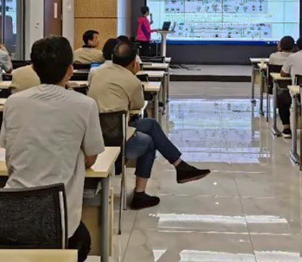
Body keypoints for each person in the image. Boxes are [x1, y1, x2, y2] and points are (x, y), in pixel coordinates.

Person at [0, 36, 105, 261]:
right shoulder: (85, 105)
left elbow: (9, 150)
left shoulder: (14, 102)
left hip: (10, 212)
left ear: (33, 68)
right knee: (83, 241)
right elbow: (91, 159)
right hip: (58, 219)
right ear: (70, 69)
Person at [88, 40, 210, 210]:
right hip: (116, 139)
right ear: (134, 62)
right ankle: (141, 193)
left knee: (151, 124)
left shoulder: (96, 72)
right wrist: (133, 76)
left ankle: (180, 166)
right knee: (149, 141)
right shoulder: (131, 81)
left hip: (94, 134)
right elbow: (138, 106)